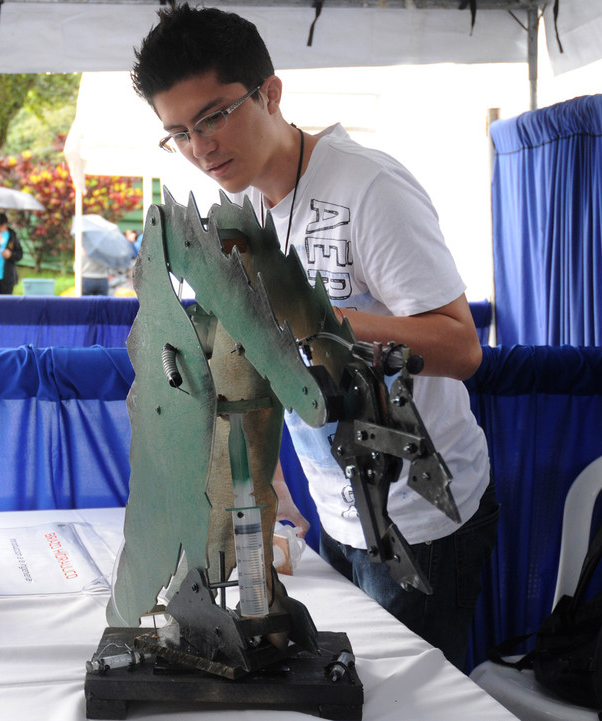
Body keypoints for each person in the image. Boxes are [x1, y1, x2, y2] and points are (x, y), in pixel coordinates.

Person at [132, 4, 497, 668]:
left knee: (399, 700)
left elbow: (460, 346)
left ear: (270, 92)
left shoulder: (369, 187)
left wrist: (310, 314)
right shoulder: (242, 213)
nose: (201, 146)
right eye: (178, 132)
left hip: (421, 519)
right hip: (335, 512)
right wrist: (270, 491)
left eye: (214, 116)